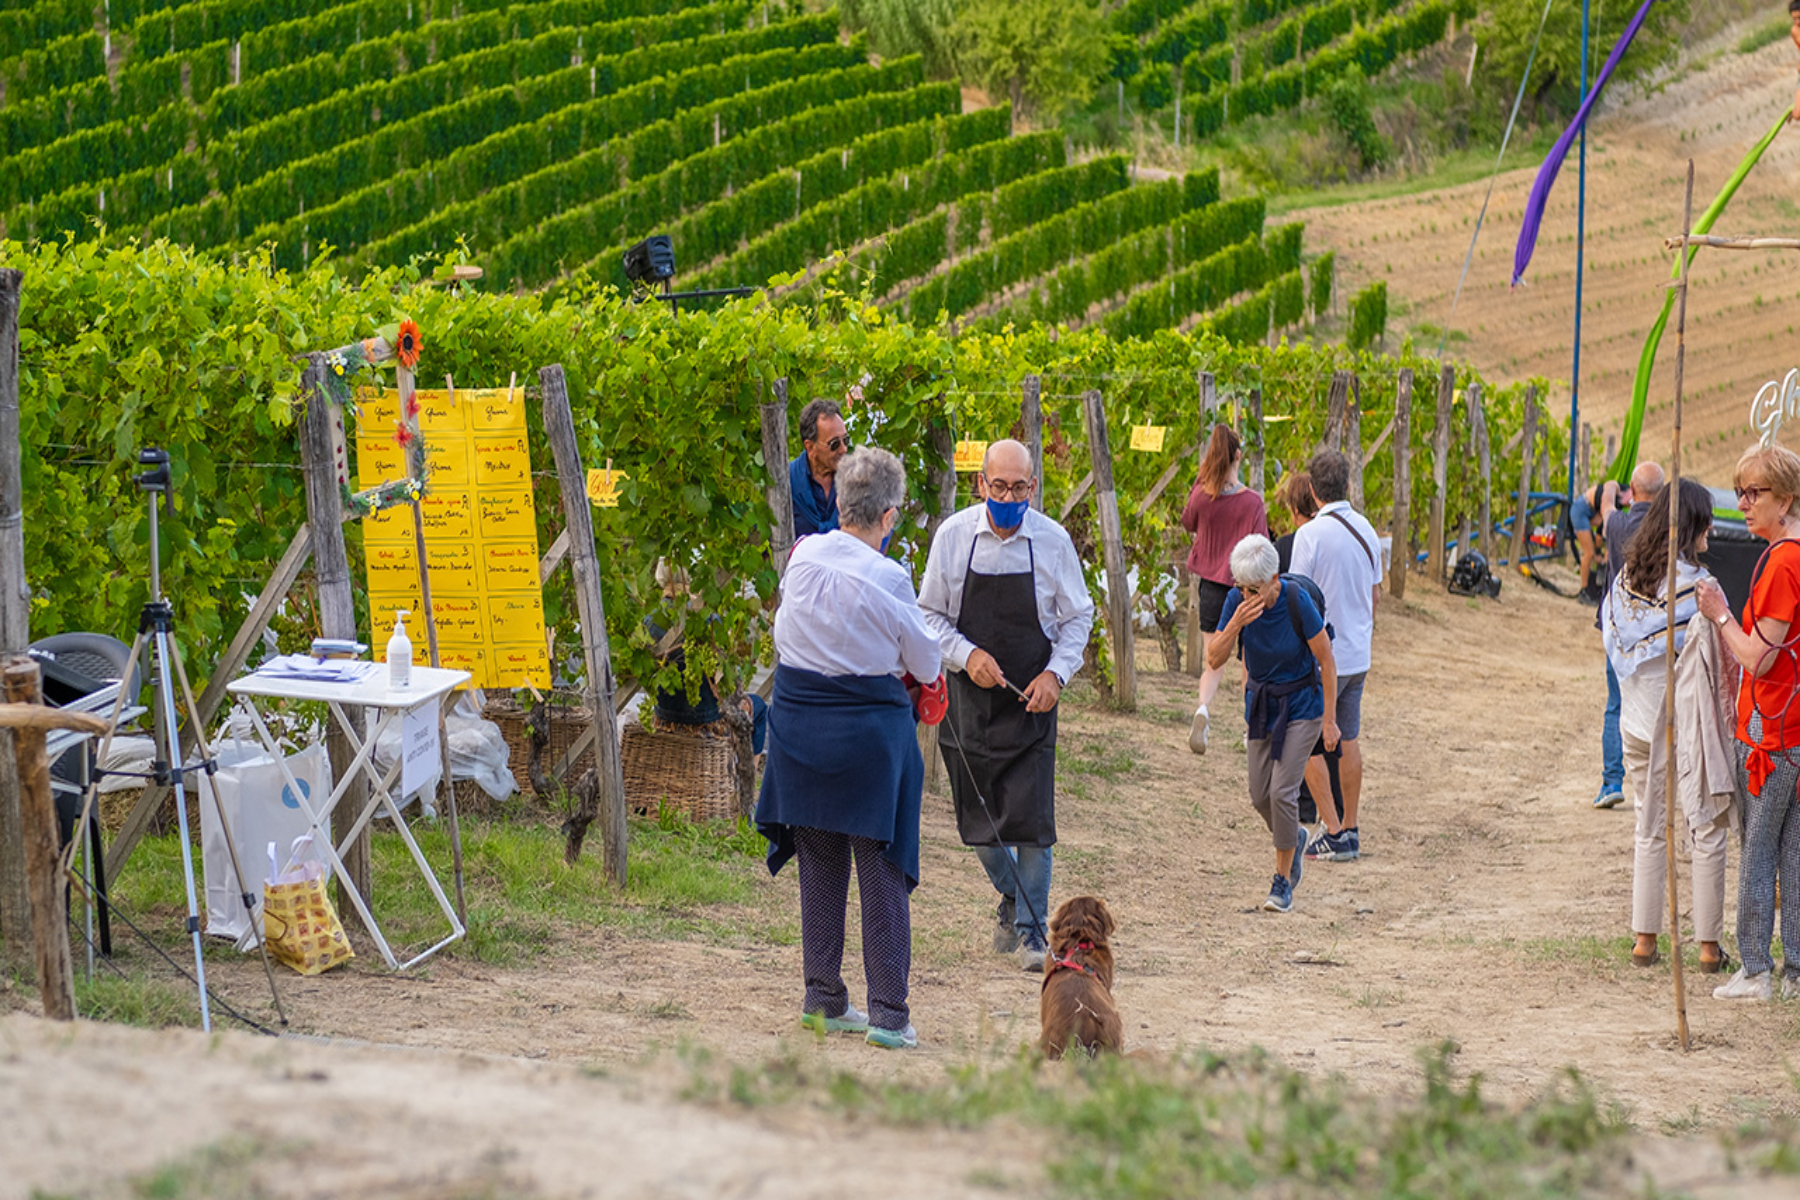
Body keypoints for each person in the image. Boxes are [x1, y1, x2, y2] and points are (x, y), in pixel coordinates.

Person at [754, 447, 942, 1049]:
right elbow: (925, 662)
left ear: (838, 503)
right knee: (882, 869)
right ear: (889, 516)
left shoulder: (803, 556)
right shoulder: (888, 577)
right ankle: (888, 1014)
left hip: (799, 728)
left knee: (820, 863)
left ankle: (823, 998)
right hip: (867, 739)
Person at [918, 438, 1095, 972]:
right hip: (967, 701)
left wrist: (1056, 675)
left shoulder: (1053, 542)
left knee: (1032, 822)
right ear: (981, 484)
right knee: (979, 824)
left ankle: (1034, 932)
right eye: (999, 487)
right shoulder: (952, 538)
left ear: (1032, 488)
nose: (1009, 498)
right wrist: (966, 654)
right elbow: (928, 616)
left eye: (1019, 488)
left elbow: (1077, 618)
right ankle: (1014, 896)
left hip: (1031, 702)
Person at [1602, 479, 1733, 974]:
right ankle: (1707, 947)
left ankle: (1644, 940)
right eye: (1706, 520)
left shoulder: (1625, 584)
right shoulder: (1702, 591)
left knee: (1648, 825)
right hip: (1686, 727)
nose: (1711, 529)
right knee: (1706, 826)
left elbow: (1617, 650)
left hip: (1637, 724)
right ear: (1691, 524)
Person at [1696, 444, 1800, 1002]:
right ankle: (1796, 971)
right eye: (1740, 491)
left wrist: (1720, 614)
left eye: (1753, 493)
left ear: (1784, 499)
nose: (1742, 503)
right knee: (1793, 850)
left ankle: (1756, 968)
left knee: (1759, 848)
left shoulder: (1783, 562)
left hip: (1772, 730)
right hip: (1792, 723)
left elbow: (1758, 657)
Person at [1208, 534, 1339, 913]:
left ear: (1274, 581)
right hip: (1262, 706)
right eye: (1241, 588)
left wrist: (1330, 721)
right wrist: (1235, 624)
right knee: (1259, 795)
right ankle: (1293, 837)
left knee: (1282, 792)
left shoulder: (1296, 601)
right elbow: (1213, 659)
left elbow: (1326, 661)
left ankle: (1282, 882)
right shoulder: (1236, 603)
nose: (1247, 596)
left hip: (1302, 705)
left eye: (1255, 590)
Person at [1289, 449, 1380, 862]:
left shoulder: (1310, 535)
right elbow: (1375, 597)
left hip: (1322, 654)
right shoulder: (1367, 530)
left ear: (1312, 490)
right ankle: (1352, 827)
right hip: (1357, 654)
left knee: (1308, 743)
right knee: (1349, 737)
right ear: (1347, 485)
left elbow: (1297, 597)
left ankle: (1333, 829)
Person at [1179, 424, 1269, 756]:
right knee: (1250, 665)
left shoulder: (1202, 495)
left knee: (1213, 662)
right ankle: (1250, 731)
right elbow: (1261, 546)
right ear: (1238, 455)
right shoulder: (1252, 502)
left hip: (1211, 589)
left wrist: (1199, 481)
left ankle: (1203, 709)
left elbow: (1187, 521)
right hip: (1245, 591)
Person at [1591, 460, 1666, 811]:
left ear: (1632, 492)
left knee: (1615, 706)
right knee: (1658, 706)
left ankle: (1611, 782)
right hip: (1656, 634)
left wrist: (1610, 486)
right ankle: (1657, 782)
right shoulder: (1666, 530)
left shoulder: (1618, 525)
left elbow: (1606, 505)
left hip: (1620, 632)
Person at [790, 398, 850, 537]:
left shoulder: (857, 477)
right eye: (834, 444)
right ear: (810, 447)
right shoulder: (788, 483)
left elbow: (883, 520)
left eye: (846, 440)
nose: (844, 449)